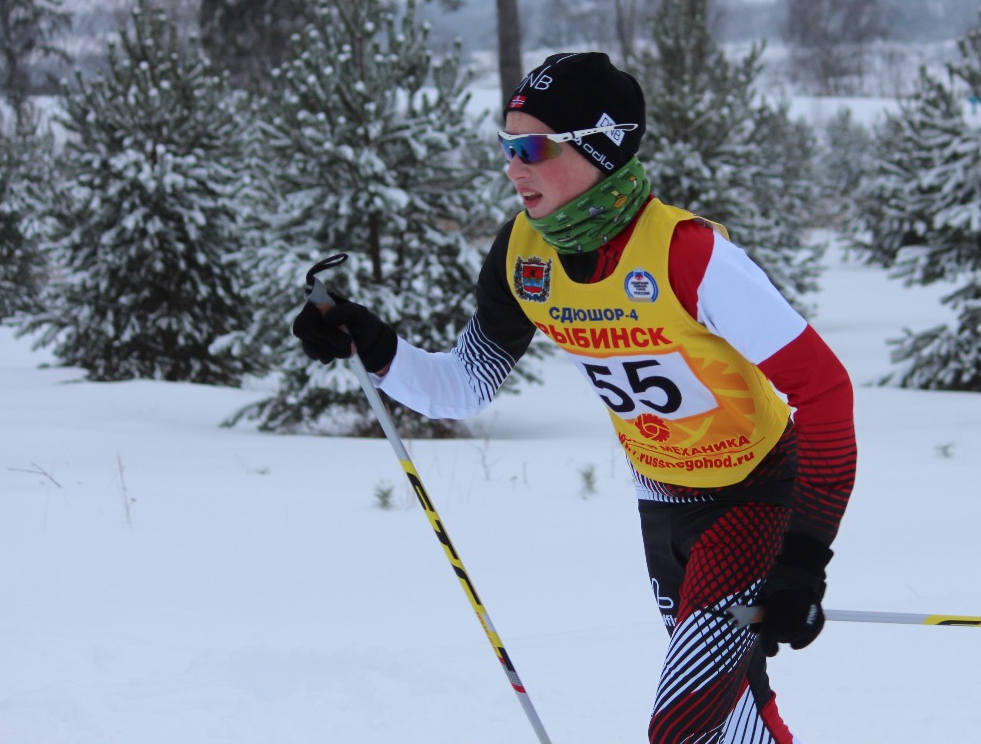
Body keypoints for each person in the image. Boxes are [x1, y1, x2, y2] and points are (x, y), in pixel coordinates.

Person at [293, 52, 856, 743]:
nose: (511, 167)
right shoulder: (524, 255)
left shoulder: (689, 255)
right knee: (734, 720)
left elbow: (825, 391)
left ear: (599, 147)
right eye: (506, 146)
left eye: (531, 147)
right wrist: (375, 347)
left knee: (681, 729)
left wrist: (803, 555)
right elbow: (466, 382)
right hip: (664, 506)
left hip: (753, 495)